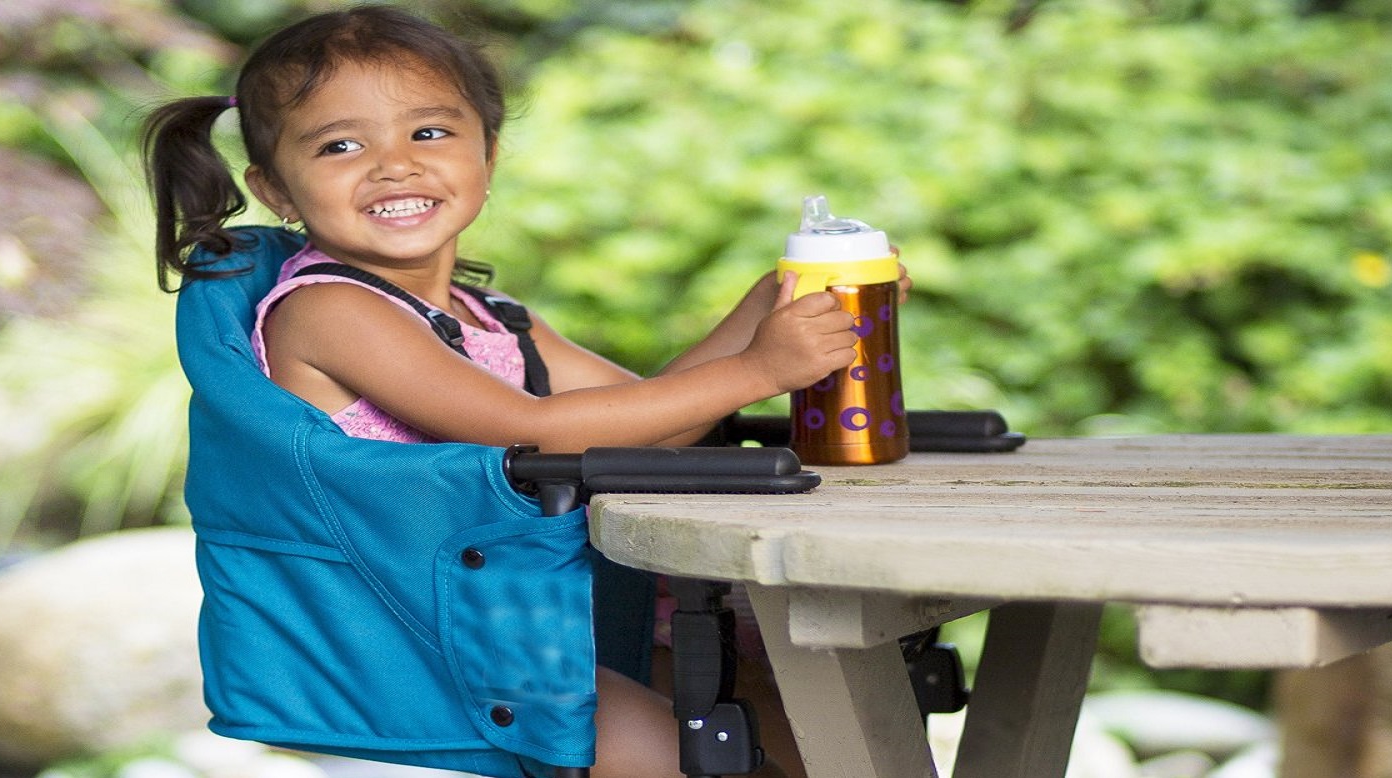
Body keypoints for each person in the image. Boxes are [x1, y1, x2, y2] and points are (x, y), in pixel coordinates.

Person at [145, 6, 908, 778]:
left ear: (489, 155)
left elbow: (652, 425)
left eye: (430, 133)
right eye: (340, 145)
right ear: (274, 188)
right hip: (425, 642)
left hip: (534, 624)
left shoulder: (494, 320)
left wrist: (773, 304)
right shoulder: (330, 310)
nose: (394, 165)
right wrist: (759, 371)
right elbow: (534, 432)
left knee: (803, 719)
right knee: (708, 755)